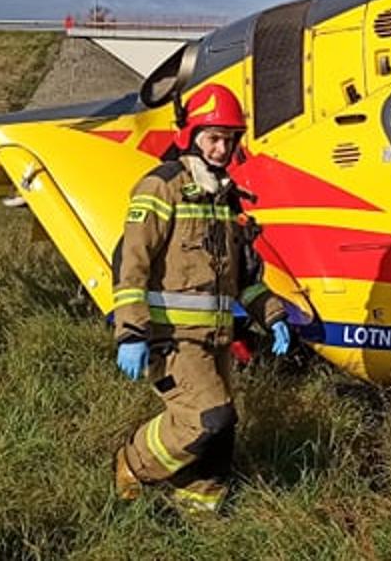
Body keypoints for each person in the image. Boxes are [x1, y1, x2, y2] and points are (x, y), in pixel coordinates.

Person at [111, 84, 291, 514]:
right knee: (208, 418)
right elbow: (131, 265)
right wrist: (131, 332)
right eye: (213, 138)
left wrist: (273, 316)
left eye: (230, 139)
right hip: (172, 338)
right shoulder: (161, 187)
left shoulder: (225, 198)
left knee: (222, 429)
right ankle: (135, 462)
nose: (222, 149)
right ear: (191, 135)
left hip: (217, 338)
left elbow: (244, 277)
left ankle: (197, 509)